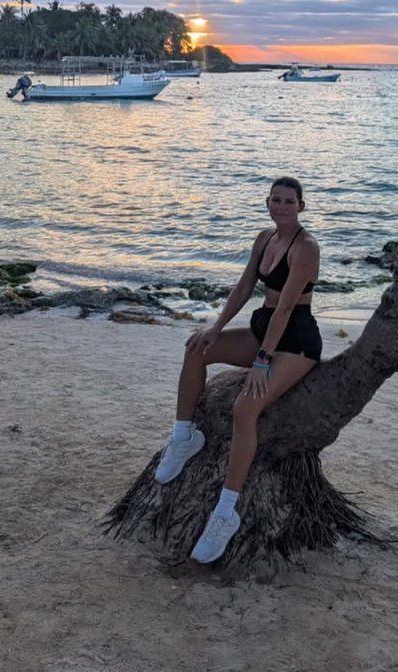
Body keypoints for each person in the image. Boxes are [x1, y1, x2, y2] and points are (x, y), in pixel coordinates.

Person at [154, 175, 322, 563]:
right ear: (267, 203)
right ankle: (184, 437)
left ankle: (225, 512)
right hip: (264, 325)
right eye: (275, 200)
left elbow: (285, 308)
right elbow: (245, 287)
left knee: (244, 409)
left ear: (301, 206)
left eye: (289, 201)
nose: (281, 206)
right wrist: (215, 327)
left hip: (296, 340)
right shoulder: (265, 239)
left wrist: (262, 360)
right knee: (196, 348)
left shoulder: (306, 247)